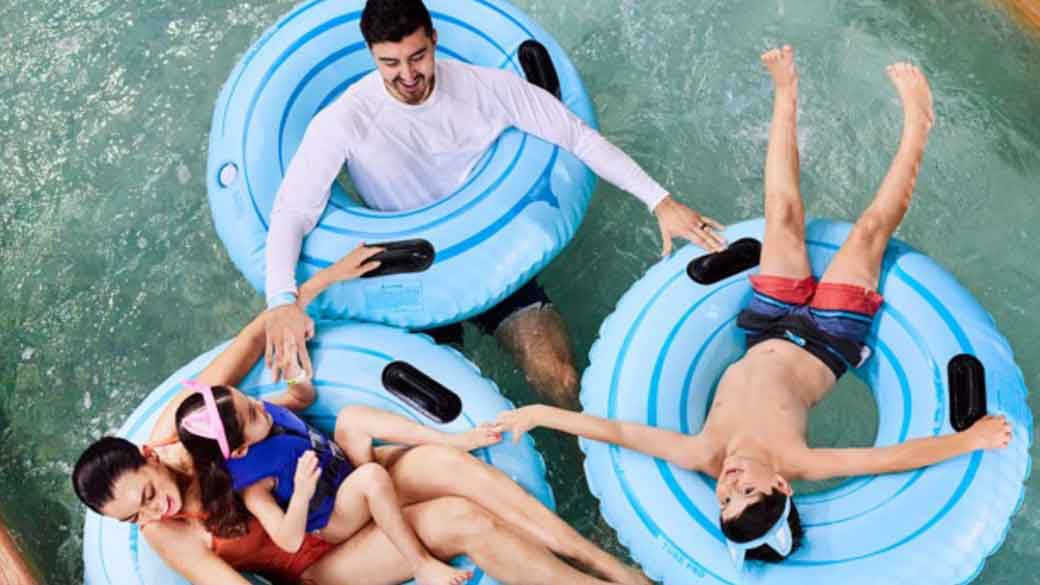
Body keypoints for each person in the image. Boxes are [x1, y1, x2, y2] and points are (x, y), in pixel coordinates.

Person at [493, 46, 1013, 568]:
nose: (729, 485)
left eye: (722, 499)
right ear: (781, 484)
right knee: (870, 231)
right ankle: (917, 125)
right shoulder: (799, 460)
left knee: (781, 215)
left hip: (766, 327)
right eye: (746, 493)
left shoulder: (706, 451)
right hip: (829, 337)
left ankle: (786, 91)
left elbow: (622, 432)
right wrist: (971, 440)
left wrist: (541, 413)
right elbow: (888, 458)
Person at [73, 247, 651, 585]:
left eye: (145, 494)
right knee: (457, 518)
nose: (155, 511)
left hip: (337, 488)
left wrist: (290, 307)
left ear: (150, 457)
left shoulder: (187, 424)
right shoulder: (169, 534)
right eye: (134, 518)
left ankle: (612, 568)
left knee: (449, 469)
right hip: (319, 561)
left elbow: (252, 344)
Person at [263, 0, 727, 409]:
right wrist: (282, 299)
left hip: (489, 256)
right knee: (442, 408)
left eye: (418, 56)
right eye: (390, 62)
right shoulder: (344, 119)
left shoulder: (487, 87)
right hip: (409, 278)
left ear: (434, 40)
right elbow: (292, 212)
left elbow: (576, 136)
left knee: (559, 378)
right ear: (371, 56)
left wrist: (660, 200)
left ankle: (586, 457)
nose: (407, 75)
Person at [173, 379, 498, 585]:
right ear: (241, 448)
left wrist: (298, 385)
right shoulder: (253, 487)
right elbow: (288, 540)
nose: (259, 405)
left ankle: (451, 440)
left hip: (340, 473)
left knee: (352, 417)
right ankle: (421, 564)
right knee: (371, 478)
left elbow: (301, 400)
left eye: (248, 399)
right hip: (335, 519)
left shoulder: (261, 416)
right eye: (253, 415)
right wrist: (300, 493)